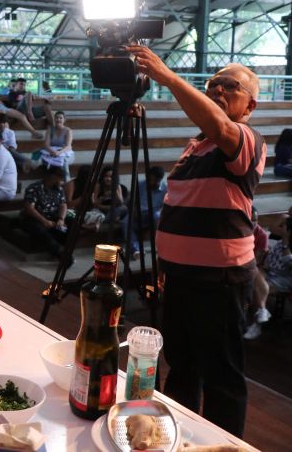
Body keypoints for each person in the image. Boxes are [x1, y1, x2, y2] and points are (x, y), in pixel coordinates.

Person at [129, 44, 266, 437]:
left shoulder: (245, 138)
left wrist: (168, 77)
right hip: (182, 278)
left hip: (219, 280)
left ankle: (221, 445)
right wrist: (167, 271)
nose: (219, 90)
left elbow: (223, 128)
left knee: (221, 375)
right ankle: (176, 439)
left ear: (250, 105)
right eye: (214, 85)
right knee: (181, 365)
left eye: (230, 86)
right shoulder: (196, 145)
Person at [18, 165, 69, 260]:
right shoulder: (34, 188)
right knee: (39, 230)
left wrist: (61, 219)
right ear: (53, 177)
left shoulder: (59, 189)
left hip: (52, 217)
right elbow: (29, 209)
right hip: (33, 218)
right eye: (60, 179)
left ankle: (65, 249)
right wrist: (44, 221)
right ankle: (59, 252)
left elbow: (63, 205)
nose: (62, 182)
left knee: (68, 226)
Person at [122, 166, 166, 261]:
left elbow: (166, 206)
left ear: (159, 180)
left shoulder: (165, 189)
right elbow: (130, 201)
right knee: (125, 222)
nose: (149, 182)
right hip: (137, 213)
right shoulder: (140, 184)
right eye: (148, 179)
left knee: (157, 216)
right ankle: (135, 250)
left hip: (153, 214)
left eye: (152, 180)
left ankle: (160, 245)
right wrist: (134, 209)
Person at [244, 207, 272, 340]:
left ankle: (258, 320)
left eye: (255, 220)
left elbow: (257, 260)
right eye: (250, 220)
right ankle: (262, 311)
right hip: (241, 266)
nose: (253, 223)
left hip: (257, 266)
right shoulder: (239, 230)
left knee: (254, 276)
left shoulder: (261, 235)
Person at [64, 164, 105, 231]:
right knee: (67, 213)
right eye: (93, 175)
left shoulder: (95, 185)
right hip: (74, 211)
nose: (95, 177)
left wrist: (95, 201)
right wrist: (83, 197)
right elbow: (68, 204)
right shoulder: (72, 184)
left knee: (101, 215)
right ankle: (84, 226)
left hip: (87, 211)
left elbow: (94, 205)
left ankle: (86, 224)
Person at [39, 110, 74, 180]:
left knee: (64, 161)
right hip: (52, 151)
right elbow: (46, 144)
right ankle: (47, 181)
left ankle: (67, 181)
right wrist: (52, 152)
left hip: (64, 152)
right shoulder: (50, 129)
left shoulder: (68, 131)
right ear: (54, 119)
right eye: (57, 118)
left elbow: (68, 146)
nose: (58, 119)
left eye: (60, 118)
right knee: (44, 160)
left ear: (64, 120)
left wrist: (59, 152)